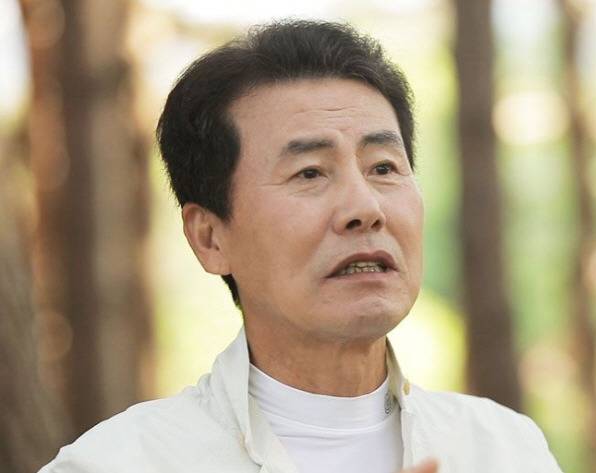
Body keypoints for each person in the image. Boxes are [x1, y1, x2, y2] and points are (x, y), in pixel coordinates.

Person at [39, 20, 562, 473]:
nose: (365, 207)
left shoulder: (503, 449)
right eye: (310, 172)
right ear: (209, 237)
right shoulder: (119, 462)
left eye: (383, 167)